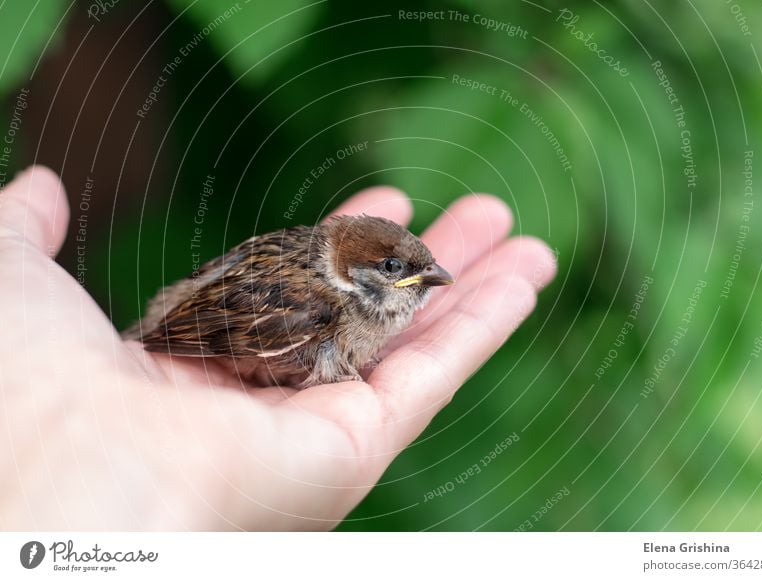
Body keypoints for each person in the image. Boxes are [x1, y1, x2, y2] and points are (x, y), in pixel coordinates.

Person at [0, 165, 556, 530]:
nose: (425, 277)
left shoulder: (338, 278)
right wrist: (144, 349)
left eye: (417, 268)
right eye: (394, 270)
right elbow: (218, 317)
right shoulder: (312, 303)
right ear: (351, 270)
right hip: (202, 327)